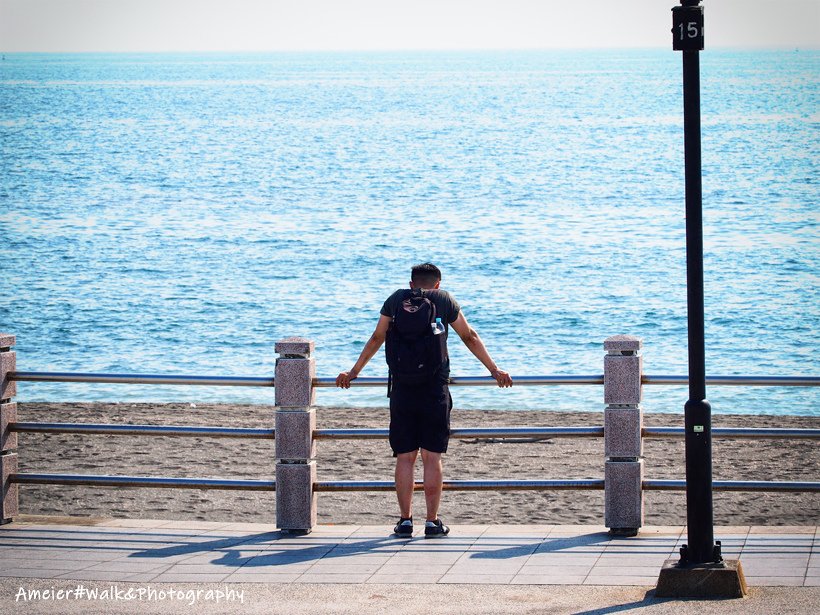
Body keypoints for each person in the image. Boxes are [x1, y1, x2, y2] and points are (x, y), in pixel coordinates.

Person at [336, 263, 512, 538]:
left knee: (405, 457)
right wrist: (494, 370)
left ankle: (405, 521)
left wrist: (354, 372)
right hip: (434, 388)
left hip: (402, 388)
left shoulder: (396, 300)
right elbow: (469, 336)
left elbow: (377, 337)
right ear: (437, 284)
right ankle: (432, 521)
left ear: (411, 283)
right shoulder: (444, 300)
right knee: (432, 457)